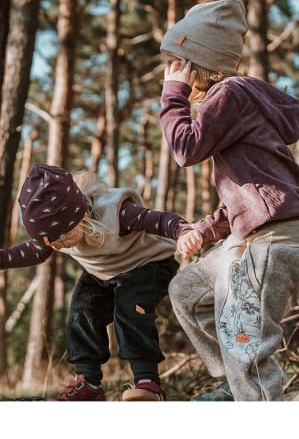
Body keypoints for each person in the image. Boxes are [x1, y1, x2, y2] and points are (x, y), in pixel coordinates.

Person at [159, 0, 299, 401]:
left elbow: (185, 148)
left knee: (246, 347)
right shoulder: (236, 101)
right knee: (189, 292)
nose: (171, 72)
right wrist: (205, 229)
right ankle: (237, 389)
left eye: (177, 63)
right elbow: (252, 192)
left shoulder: (229, 93)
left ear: (197, 60)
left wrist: (173, 95)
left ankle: (255, 400)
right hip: (256, 233)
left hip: (270, 240)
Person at [1, 163, 197, 401]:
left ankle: (147, 382)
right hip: (105, 272)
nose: (56, 246)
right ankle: (88, 382)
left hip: (149, 263)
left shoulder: (117, 213)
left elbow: (159, 220)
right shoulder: (54, 231)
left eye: (61, 239)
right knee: (82, 308)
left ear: (80, 218)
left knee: (130, 308)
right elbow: (32, 253)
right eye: (50, 242)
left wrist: (184, 232)